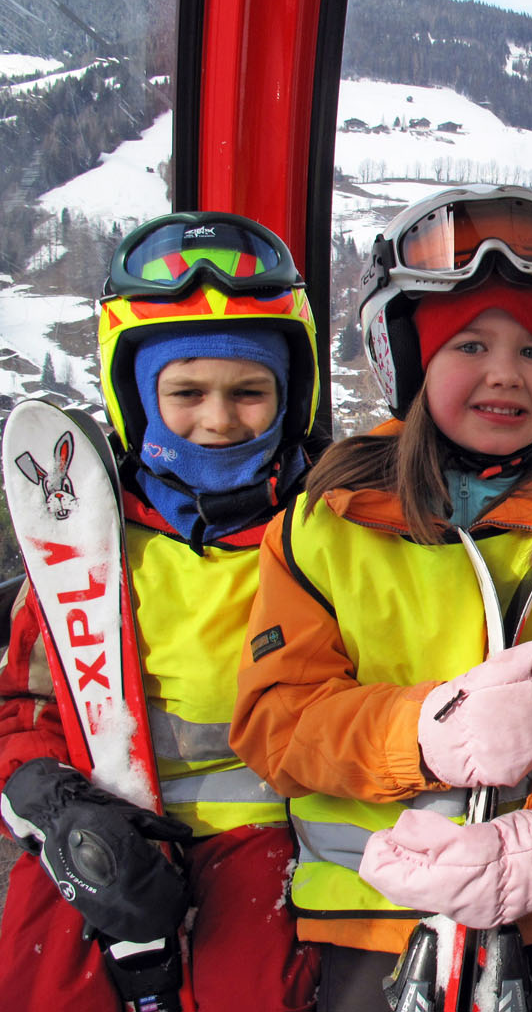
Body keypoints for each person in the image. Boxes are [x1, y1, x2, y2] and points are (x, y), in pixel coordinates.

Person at [227, 184, 532, 1012]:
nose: (505, 374)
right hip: (376, 911)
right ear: (406, 358)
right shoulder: (327, 526)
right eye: (469, 343)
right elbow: (277, 719)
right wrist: (425, 734)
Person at [0, 211, 322, 1010]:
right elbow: (23, 711)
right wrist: (54, 801)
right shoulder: (86, 548)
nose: (218, 420)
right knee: (43, 978)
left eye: (250, 392)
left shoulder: (324, 538)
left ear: (292, 395)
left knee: (253, 991)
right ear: (136, 396)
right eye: (185, 393)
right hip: (106, 831)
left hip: (276, 836)